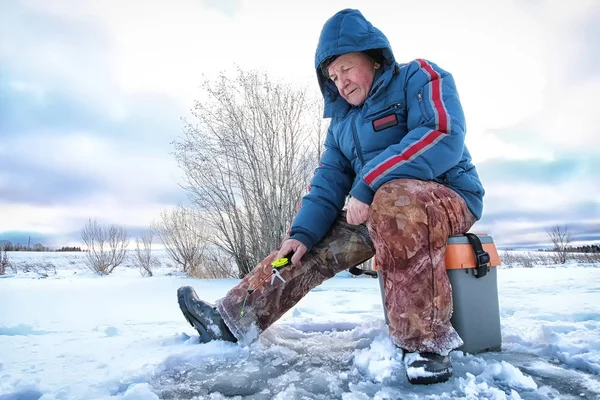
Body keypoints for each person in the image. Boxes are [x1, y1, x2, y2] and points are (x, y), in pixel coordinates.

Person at [177, 8, 484, 385]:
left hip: (446, 196)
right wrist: (301, 234)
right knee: (305, 247)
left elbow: (442, 134)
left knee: (394, 199)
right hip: (379, 210)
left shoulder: (419, 76)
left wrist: (369, 184)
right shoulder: (342, 125)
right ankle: (232, 320)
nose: (341, 82)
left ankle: (424, 346)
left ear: (373, 58)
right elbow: (327, 183)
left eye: (347, 68)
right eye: (333, 77)